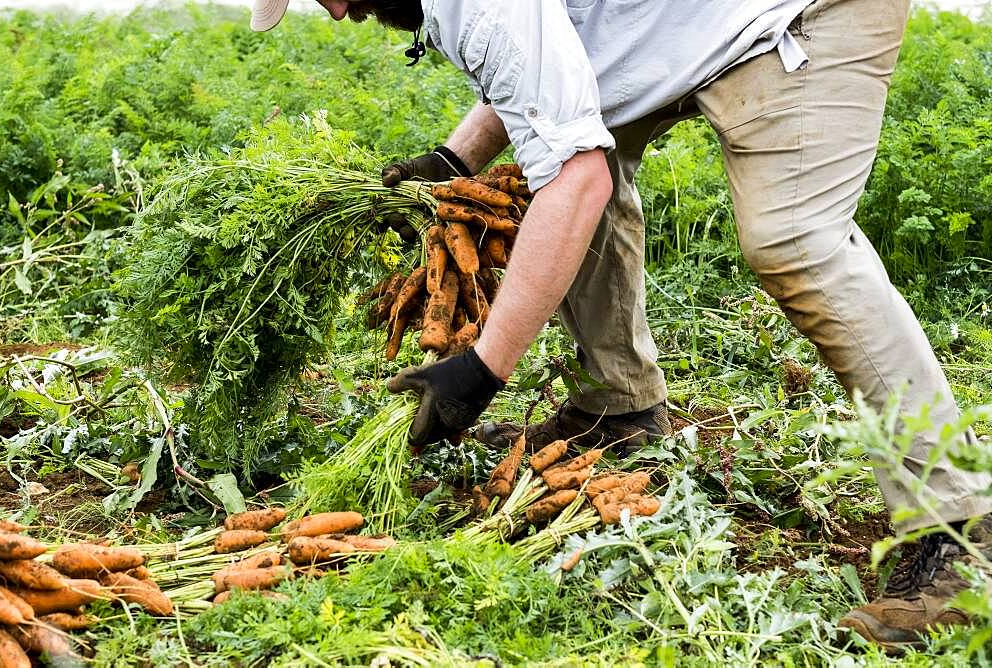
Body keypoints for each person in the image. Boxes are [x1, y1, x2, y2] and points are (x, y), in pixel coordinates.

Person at [250, 0, 992, 651]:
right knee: (564, 170)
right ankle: (620, 409)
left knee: (794, 240)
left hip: (798, 16)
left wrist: (479, 372)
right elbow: (551, 63)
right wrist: (455, 159)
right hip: (692, 22)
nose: (340, 14)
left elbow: (574, 171)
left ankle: (958, 531)